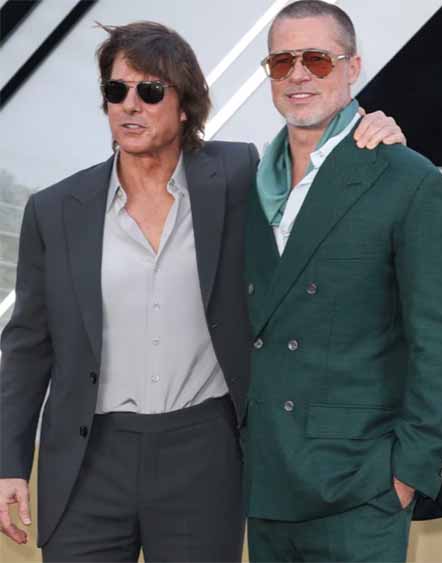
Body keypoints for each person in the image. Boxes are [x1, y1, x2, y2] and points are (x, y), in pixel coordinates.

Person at [0, 20, 401, 561]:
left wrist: (372, 131)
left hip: (204, 455)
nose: (130, 105)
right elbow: (28, 347)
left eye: (150, 91)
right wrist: (8, 463)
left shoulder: (238, 175)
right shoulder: (54, 210)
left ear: (185, 106)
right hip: (88, 458)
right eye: (116, 90)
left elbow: (317, 172)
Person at [241, 2, 442, 561]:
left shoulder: (408, 181)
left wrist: (408, 473)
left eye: (317, 60)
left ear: (353, 68)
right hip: (265, 479)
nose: (297, 75)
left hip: (360, 485)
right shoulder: (243, 183)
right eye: (281, 62)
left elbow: (438, 342)